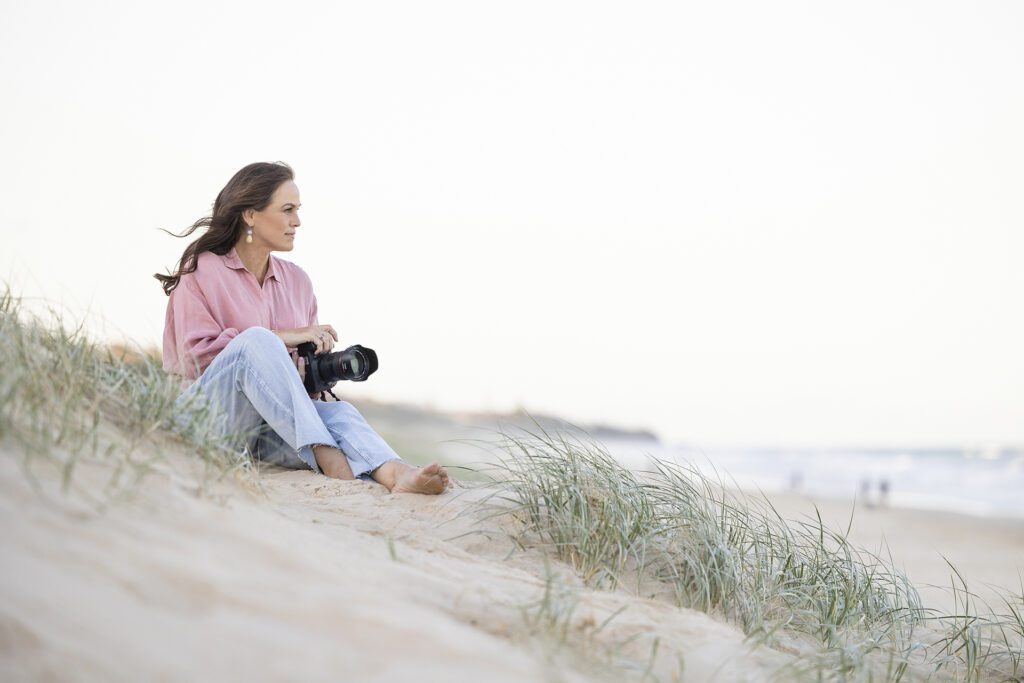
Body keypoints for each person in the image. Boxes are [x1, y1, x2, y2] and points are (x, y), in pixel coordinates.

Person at [155, 161, 449, 494]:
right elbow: (195, 359)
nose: (297, 221)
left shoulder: (297, 282)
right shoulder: (201, 271)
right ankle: (327, 454)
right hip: (209, 420)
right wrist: (279, 341)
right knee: (256, 342)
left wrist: (308, 375)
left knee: (340, 413)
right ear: (250, 215)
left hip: (270, 431)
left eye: (298, 210)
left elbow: (298, 393)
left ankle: (397, 473)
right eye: (287, 210)